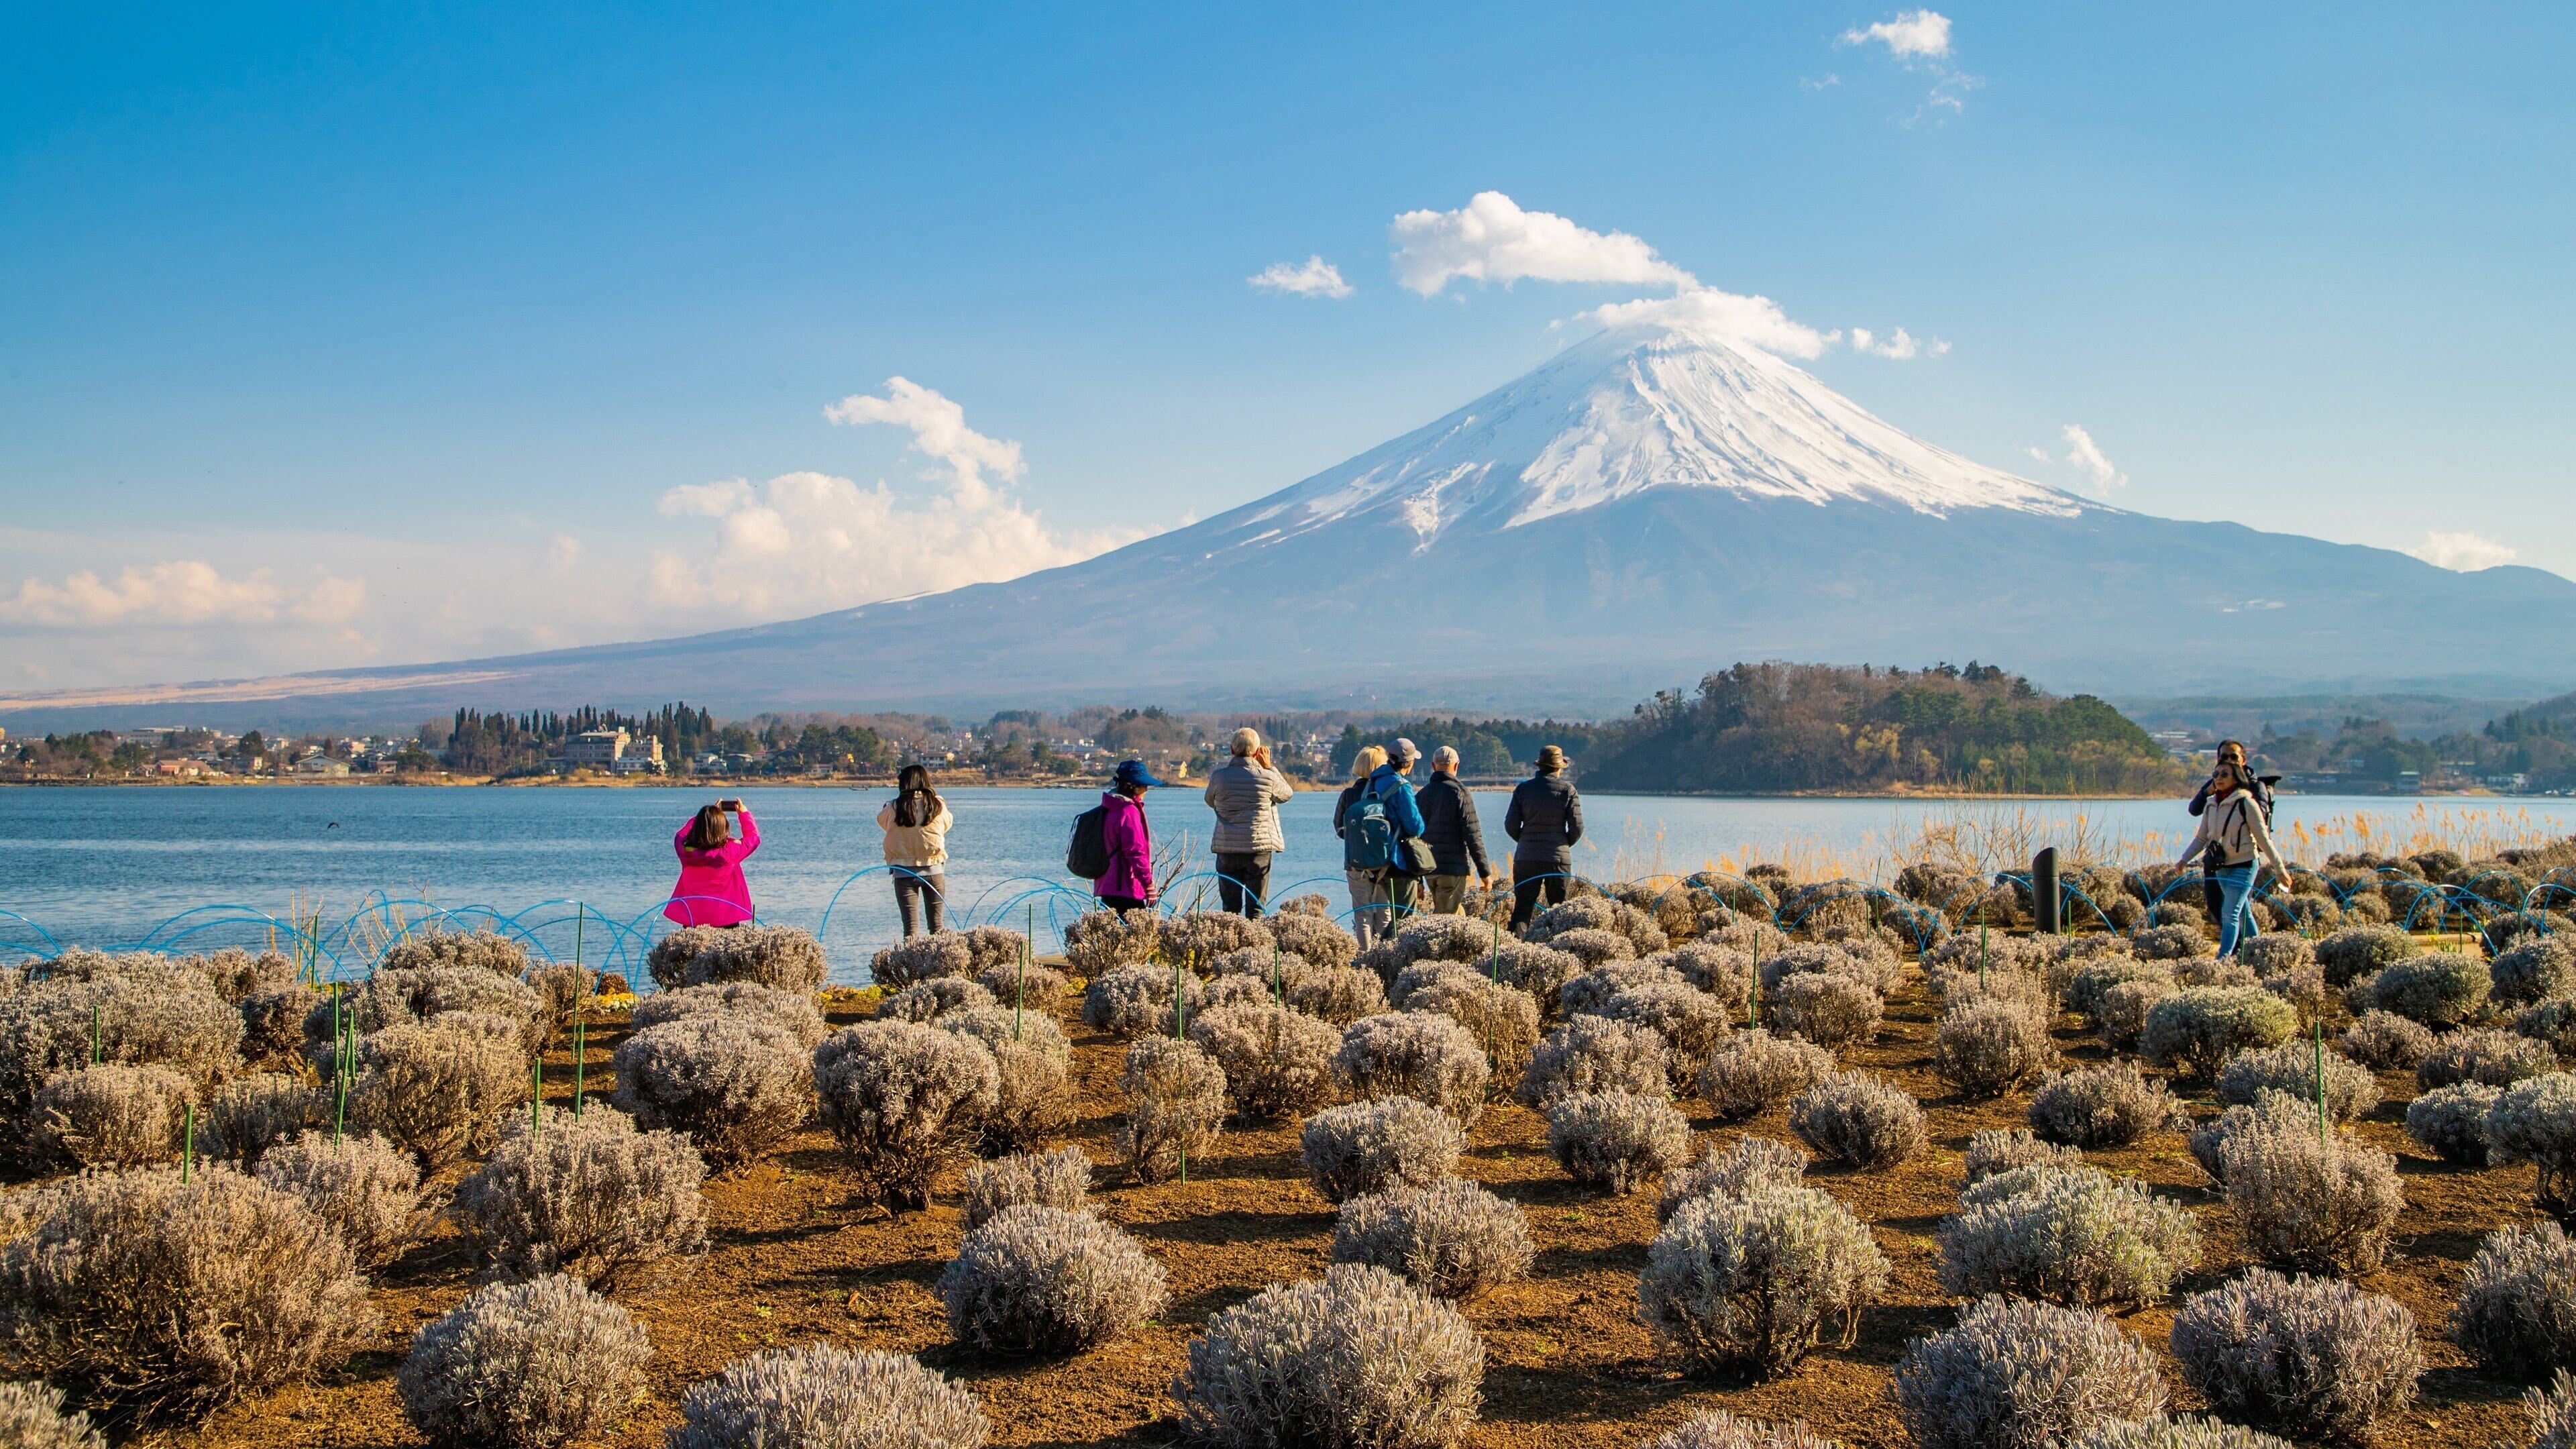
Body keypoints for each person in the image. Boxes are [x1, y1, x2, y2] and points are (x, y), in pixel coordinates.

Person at [2176, 757, 2294, 959]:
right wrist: (2183, 860)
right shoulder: (2211, 805)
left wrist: (2279, 868)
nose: (2219, 778)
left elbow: (2263, 839)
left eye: (2224, 774)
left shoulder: (2246, 803)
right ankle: (2259, 953)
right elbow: (2202, 838)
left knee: (2229, 913)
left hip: (2245, 865)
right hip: (2221, 867)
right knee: (2243, 914)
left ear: (2236, 778)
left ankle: (2222, 959)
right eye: (2216, 774)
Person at [1203, 727, 1293, 918]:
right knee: (1256, 909)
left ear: (1231, 749)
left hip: (1227, 848)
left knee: (1230, 909)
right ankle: (1255, 946)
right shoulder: (1267, 777)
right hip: (1258, 849)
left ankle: (1229, 946)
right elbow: (1286, 795)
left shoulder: (1218, 777)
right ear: (1257, 751)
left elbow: (1210, 801)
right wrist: (1269, 767)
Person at [2188, 740, 2279, 922]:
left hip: (2242, 858)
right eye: (2224, 757)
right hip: (2216, 857)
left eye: (2234, 756)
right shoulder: (2217, 781)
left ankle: (2240, 948)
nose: (2229, 760)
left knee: (2237, 911)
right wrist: (2207, 792)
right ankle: (2239, 947)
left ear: (2243, 760)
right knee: (2216, 906)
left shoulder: (2255, 787)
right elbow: (2194, 810)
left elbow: (2259, 822)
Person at [1503, 745, 1584, 929]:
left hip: (1527, 857)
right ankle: (1557, 948)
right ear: (1559, 767)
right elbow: (1577, 827)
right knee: (1560, 910)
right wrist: (1562, 844)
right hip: (1558, 858)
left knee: (1523, 908)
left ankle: (1516, 948)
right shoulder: (1568, 790)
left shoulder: (1523, 789)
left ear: (1539, 766)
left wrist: (1525, 841)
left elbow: (1510, 825)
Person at [876, 763, 952, 938]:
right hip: (934, 870)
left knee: (910, 930)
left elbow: (882, 822)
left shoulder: (894, 807)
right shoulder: (937, 805)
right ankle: (939, 962)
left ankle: (911, 964)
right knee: (937, 928)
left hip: (903, 872)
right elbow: (947, 824)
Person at [1417, 745, 1493, 914]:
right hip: (1452, 868)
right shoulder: (1460, 792)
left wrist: (1417, 879)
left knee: (1457, 914)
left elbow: (1413, 837)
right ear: (1457, 766)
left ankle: (1467, 940)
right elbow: (1473, 835)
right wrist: (1485, 873)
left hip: (1429, 868)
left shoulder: (1421, 795)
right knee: (1444, 920)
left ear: (1433, 766)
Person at [667, 798, 759, 927]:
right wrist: (744, 814)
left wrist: (705, 818)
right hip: (725, 918)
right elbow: (753, 839)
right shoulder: (728, 853)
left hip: (692, 918)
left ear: (697, 827)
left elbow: (681, 835)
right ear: (724, 828)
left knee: (692, 947)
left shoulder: (685, 850)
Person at [1334, 746, 1392, 946]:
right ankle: (1386, 954)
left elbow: (1339, 828)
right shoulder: (1386, 793)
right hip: (1384, 864)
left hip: (1355, 863)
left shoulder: (1348, 794)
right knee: (1385, 911)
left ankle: (1364, 956)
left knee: (1362, 914)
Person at [1094, 758, 1164, 912]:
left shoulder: (1108, 807)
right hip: (1126, 887)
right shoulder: (1128, 811)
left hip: (1107, 885)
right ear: (1133, 787)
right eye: (1144, 786)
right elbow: (1135, 852)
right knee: (1137, 934)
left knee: (1109, 933)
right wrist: (1149, 885)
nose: (1146, 789)